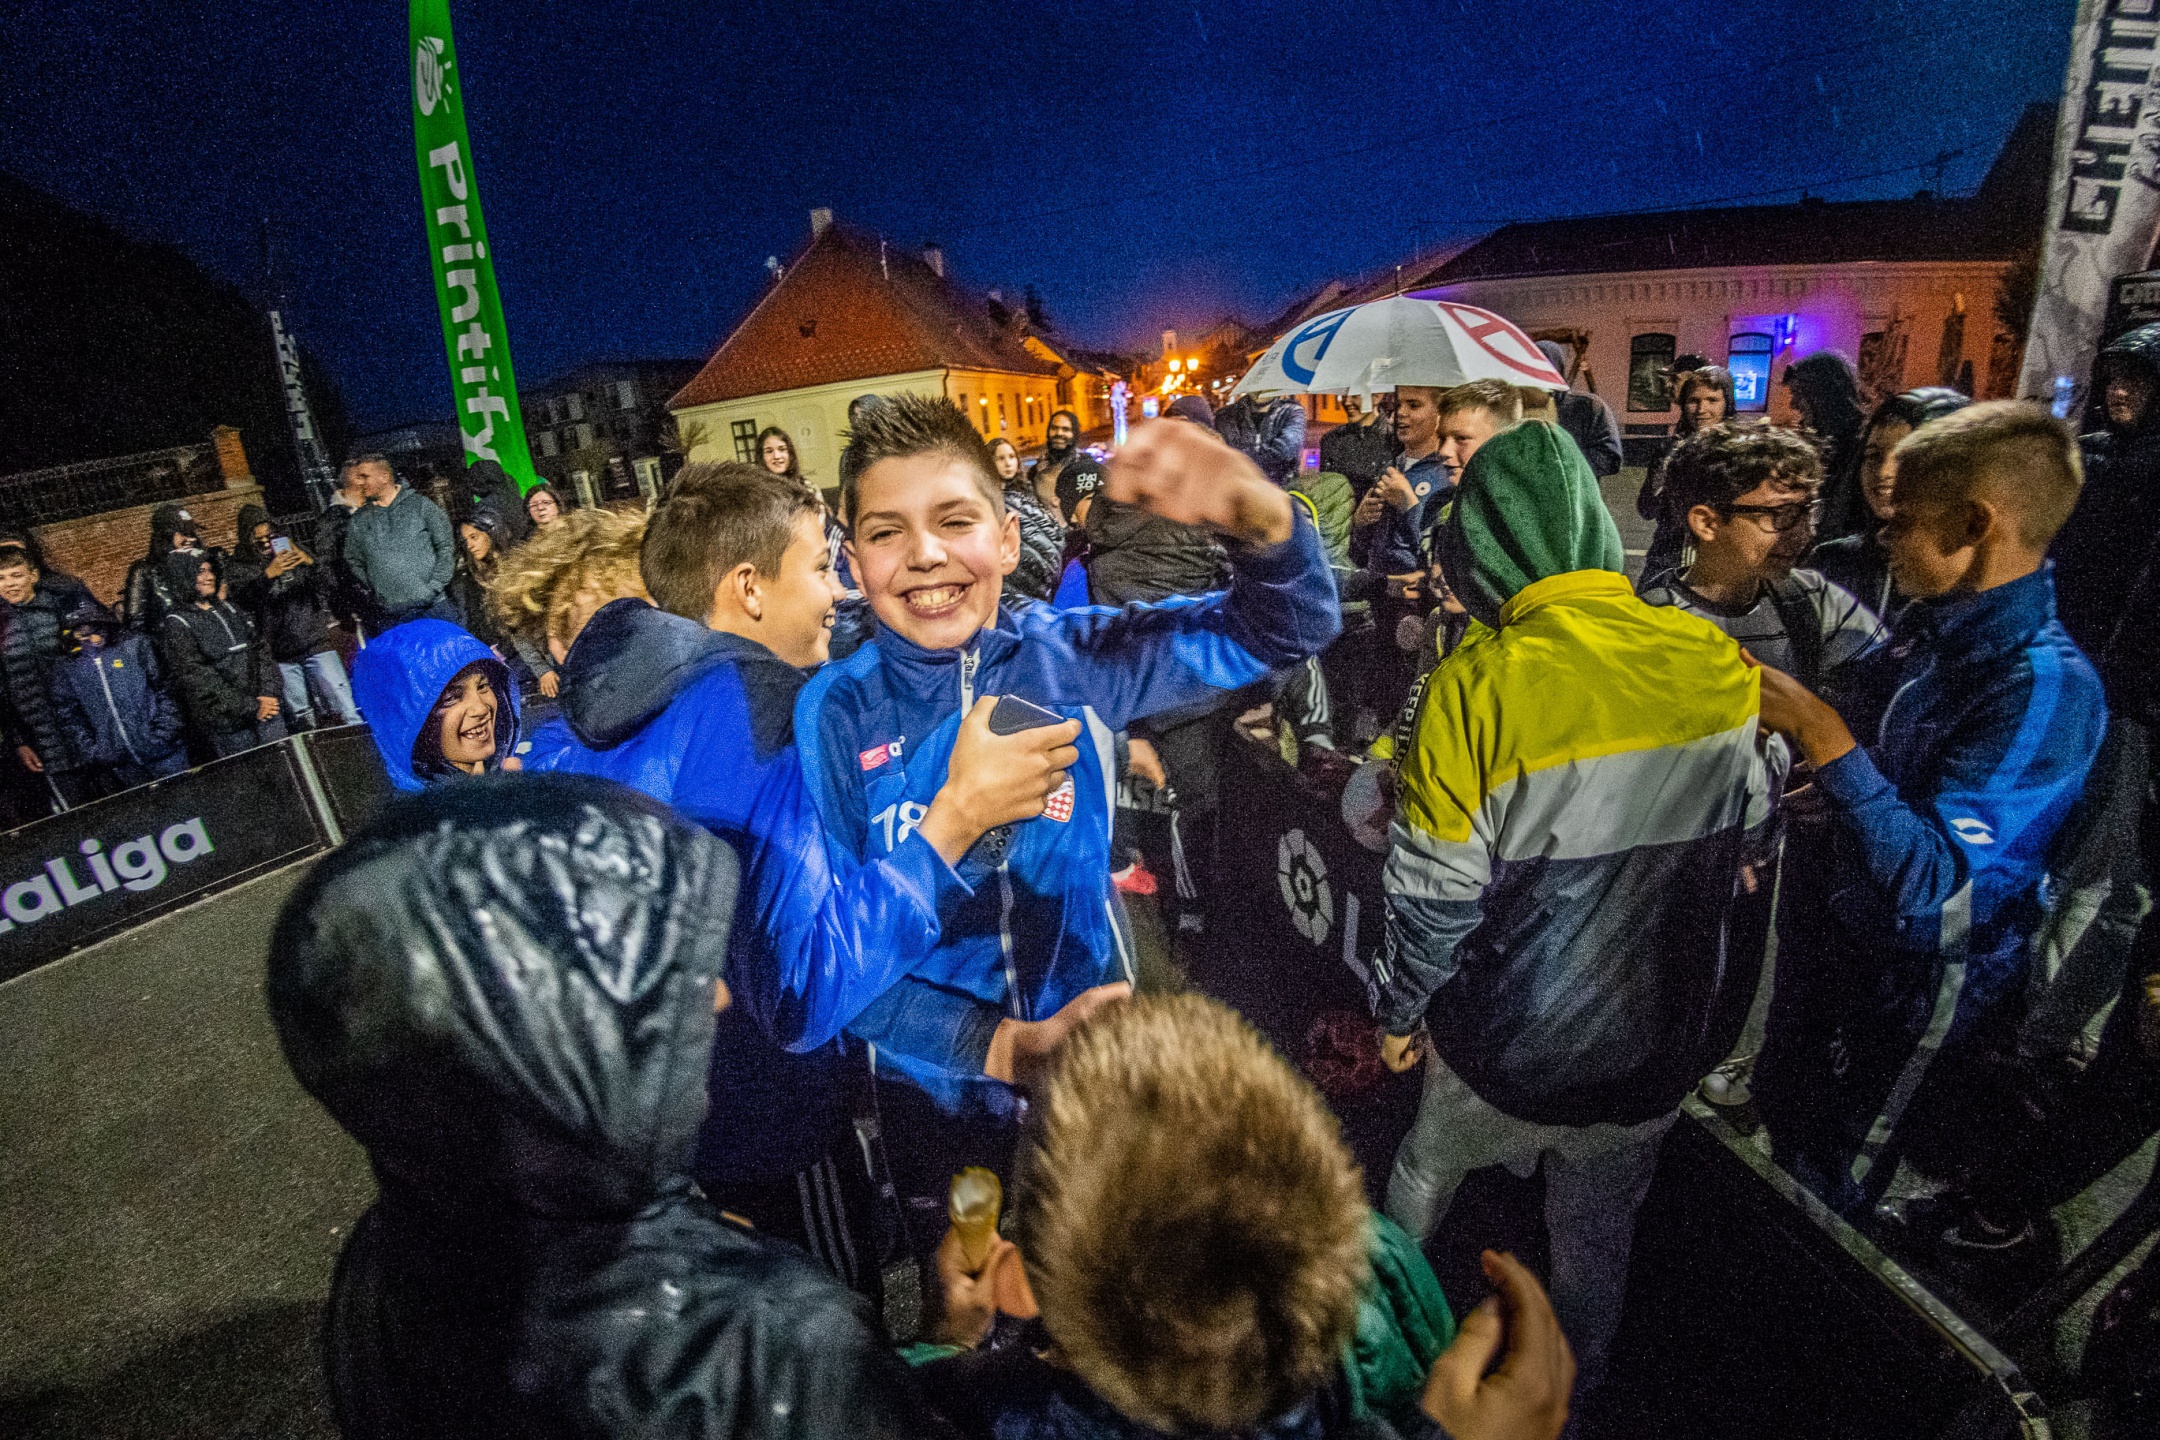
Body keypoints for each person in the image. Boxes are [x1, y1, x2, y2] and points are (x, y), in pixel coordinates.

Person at [526, 462, 1116, 1282]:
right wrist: (955, 821)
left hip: (661, 1134)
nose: (838, 591)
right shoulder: (763, 711)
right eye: (817, 566)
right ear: (748, 588)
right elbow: (800, 991)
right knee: (833, 1328)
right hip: (769, 1119)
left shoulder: (608, 718)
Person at [264, 776, 977, 1440]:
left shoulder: (385, 1260)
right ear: (536, 1038)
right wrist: (945, 1345)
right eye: (648, 984)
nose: (719, 997)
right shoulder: (770, 1341)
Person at [794, 396, 1337, 1127]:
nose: (925, 554)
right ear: (855, 564)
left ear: (1008, 541)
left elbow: (1289, 628)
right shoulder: (833, 710)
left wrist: (1263, 522)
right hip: (931, 1093)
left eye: (955, 521)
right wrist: (998, 1046)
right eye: (887, 532)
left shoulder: (1069, 658)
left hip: (1091, 1065)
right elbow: (824, 963)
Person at [1375, 421, 1780, 1394]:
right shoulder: (1716, 660)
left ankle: (1385, 1352)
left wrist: (1397, 1016)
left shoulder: (1472, 687)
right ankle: (1581, 1386)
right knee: (1595, 1234)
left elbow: (1431, 901)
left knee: (1425, 1171)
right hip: (1652, 1053)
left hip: (1504, 1046)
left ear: (1480, 552)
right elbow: (1754, 858)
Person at [917, 993, 1573, 1440]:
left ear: (1027, 1293)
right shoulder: (1381, 1258)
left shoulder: (1005, 1414)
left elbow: (894, 1402)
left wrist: (952, 1339)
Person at [1750, 402, 2107, 1218]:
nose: (1884, 534)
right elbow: (1896, 784)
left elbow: (1944, 894)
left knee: (1829, 1188)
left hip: (1913, 996)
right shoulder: (1931, 629)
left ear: (1976, 524)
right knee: (1788, 1117)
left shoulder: (2044, 688)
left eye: (1905, 519)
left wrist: (1826, 737)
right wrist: (1834, 795)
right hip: (1842, 954)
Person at [1638, 424, 1884, 697]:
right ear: (1707, 523)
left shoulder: (1815, 600)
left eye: (1808, 511)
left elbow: (1889, 687)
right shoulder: (1649, 626)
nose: (1804, 533)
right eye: (1781, 513)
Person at [1810, 387, 1973, 617]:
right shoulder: (1834, 562)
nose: (1883, 472)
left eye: (1904, 457)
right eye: (1873, 456)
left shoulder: (1977, 575)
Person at [227, 503, 362, 730]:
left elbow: (328, 585)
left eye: (270, 537)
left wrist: (309, 562)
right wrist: (268, 576)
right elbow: (243, 601)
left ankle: (361, 745)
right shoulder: (240, 566)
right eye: (258, 540)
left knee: (345, 708)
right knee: (302, 718)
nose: (266, 544)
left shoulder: (294, 550)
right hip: (279, 654)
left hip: (315, 642)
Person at [351, 619, 518, 789]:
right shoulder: (423, 808)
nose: (481, 709)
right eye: (451, 698)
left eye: (482, 687)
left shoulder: (517, 784)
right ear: (403, 721)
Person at [0, 548, 109, 807]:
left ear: (34, 576)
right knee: (78, 816)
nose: (9, 584)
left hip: (91, 729)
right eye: (1, 578)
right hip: (44, 743)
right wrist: (19, 742)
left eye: (16, 575)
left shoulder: (61, 609)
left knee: (121, 803)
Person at [50, 593, 187, 789]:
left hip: (165, 752)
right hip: (122, 762)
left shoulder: (135, 646)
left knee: (186, 797)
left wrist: (164, 733)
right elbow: (68, 714)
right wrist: (97, 750)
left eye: (96, 629)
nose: (92, 638)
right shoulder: (67, 667)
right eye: (82, 633)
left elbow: (166, 688)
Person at [157, 550, 286, 758]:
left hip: (267, 711)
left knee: (288, 766)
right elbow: (199, 679)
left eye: (210, 570)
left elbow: (261, 651)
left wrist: (269, 693)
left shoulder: (230, 608)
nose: (209, 577)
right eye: (200, 571)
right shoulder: (177, 624)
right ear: (183, 576)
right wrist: (251, 707)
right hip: (231, 725)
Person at [1635, 365, 1736, 584]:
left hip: (1717, 561)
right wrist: (1665, 471)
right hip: (1667, 557)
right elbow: (1646, 508)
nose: (1701, 409)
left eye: (1712, 400)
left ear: (1727, 403)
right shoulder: (1670, 448)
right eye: (1693, 401)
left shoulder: (1739, 452)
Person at [343, 453, 459, 635]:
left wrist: (433, 587)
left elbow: (446, 547)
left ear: (384, 477)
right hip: (392, 615)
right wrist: (380, 591)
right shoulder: (359, 521)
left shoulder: (421, 506)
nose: (360, 483)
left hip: (433, 607)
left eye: (365, 477)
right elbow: (353, 560)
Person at [1781, 351, 1868, 543]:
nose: (1793, 404)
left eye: (1798, 395)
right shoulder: (1824, 439)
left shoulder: (1860, 444)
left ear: (1822, 394)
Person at [990, 437, 1063, 604]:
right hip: (1015, 583)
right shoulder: (988, 501)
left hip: (1044, 580)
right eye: (1000, 458)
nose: (1008, 463)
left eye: (1011, 457)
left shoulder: (1027, 492)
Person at [1534, 341, 1623, 477]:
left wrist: (1559, 466)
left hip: (1575, 489)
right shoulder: (1519, 409)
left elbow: (1610, 458)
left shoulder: (1588, 406)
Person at [119, 502, 208, 633]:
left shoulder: (204, 564)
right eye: (182, 533)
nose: (190, 539)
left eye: (191, 533)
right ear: (165, 535)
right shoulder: (145, 571)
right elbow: (135, 622)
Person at [1028, 409, 1104, 526]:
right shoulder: (1036, 472)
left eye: (1066, 429)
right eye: (1054, 428)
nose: (1059, 433)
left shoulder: (1088, 466)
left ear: (1075, 434)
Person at [1217, 391, 1309, 486]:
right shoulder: (1226, 415)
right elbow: (1222, 454)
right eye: (1255, 385)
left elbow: (1285, 450)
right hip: (1235, 487)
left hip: (1279, 489)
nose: (1260, 391)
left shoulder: (1291, 412)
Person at [1319, 391, 1398, 500]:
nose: (1347, 402)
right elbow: (1327, 494)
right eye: (1344, 394)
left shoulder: (1395, 439)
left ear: (1377, 396)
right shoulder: (1332, 439)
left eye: (1355, 395)